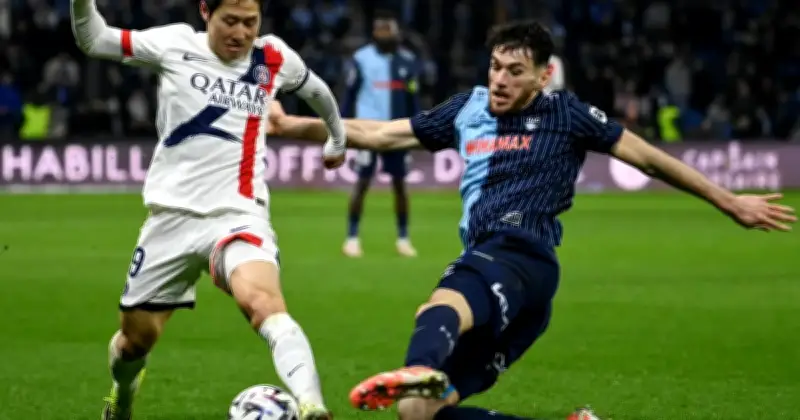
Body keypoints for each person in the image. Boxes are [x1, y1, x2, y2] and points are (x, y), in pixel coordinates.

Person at [267, 20, 797, 420]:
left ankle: (419, 367)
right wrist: (292, 126)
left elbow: (650, 159)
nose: (499, 80)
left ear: (544, 75)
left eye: (514, 71)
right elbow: (380, 134)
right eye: (495, 67)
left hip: (520, 253)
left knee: (440, 307)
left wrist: (728, 201)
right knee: (417, 412)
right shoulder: (468, 108)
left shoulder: (567, 114)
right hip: (521, 295)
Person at [69, 0, 346, 419]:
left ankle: (312, 406)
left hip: (238, 215)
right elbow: (94, 39)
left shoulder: (273, 57)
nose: (241, 33)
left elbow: (318, 91)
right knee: (134, 343)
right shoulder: (174, 44)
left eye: (250, 22)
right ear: (205, 12)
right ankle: (122, 395)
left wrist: (337, 139)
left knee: (264, 302)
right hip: (171, 219)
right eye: (230, 21)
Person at [341, 9, 420, 258]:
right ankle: (352, 238)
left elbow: (413, 99)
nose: (386, 35)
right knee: (362, 182)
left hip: (397, 130)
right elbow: (350, 94)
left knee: (400, 185)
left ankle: (403, 238)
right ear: (374, 33)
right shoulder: (361, 58)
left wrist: (417, 129)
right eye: (381, 30)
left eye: (389, 30)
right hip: (367, 130)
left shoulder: (407, 61)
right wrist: (342, 126)